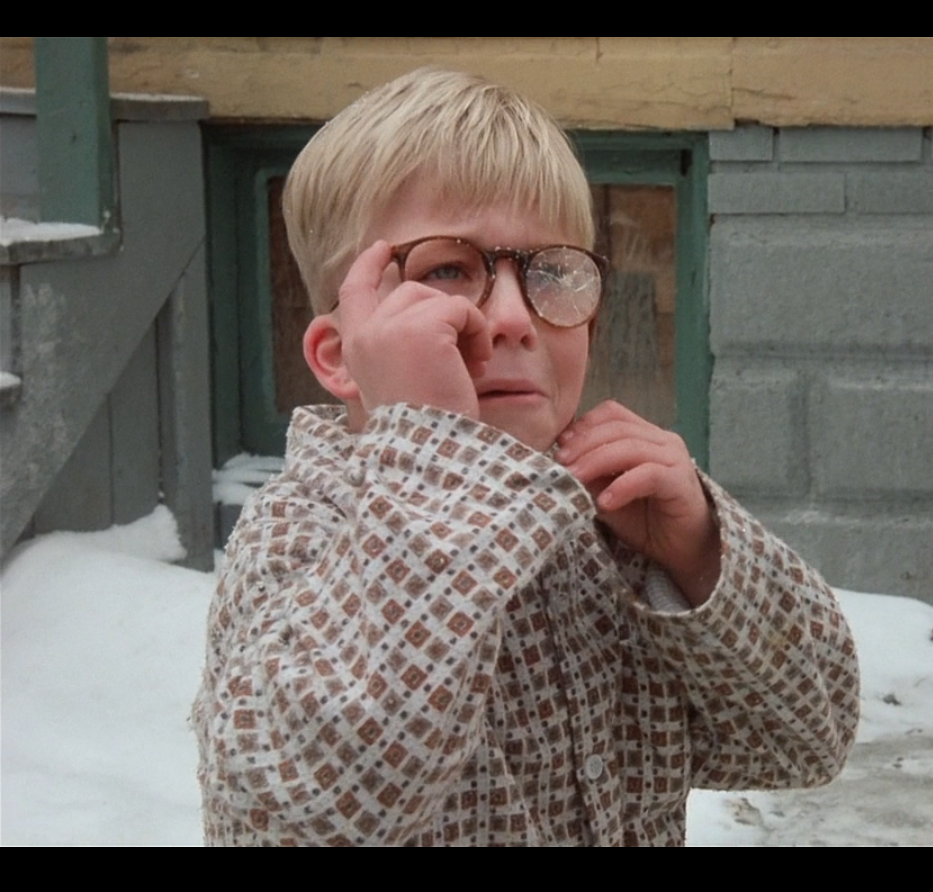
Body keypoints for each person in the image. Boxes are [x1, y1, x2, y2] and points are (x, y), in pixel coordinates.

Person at [192, 67, 859, 846]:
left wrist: (699, 557)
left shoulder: (609, 534)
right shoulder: (300, 538)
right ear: (341, 356)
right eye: (448, 269)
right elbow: (318, 813)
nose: (513, 316)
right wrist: (438, 467)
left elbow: (805, 739)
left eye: (551, 272)